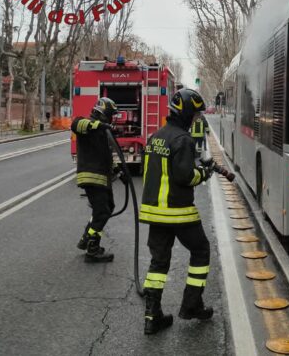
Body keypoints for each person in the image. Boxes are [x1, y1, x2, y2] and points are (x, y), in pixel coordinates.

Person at [139, 88, 215, 335]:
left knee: (158, 262)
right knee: (201, 251)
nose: (195, 119)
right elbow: (185, 176)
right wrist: (204, 173)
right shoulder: (183, 139)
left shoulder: (156, 136)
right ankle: (192, 304)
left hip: (154, 213)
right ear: (185, 112)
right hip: (178, 212)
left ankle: (152, 316)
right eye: (194, 115)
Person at [71, 97, 126, 263]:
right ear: (104, 113)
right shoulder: (87, 124)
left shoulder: (102, 133)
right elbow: (75, 125)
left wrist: (120, 172)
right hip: (92, 177)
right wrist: (101, 126)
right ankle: (92, 250)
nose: (112, 119)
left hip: (102, 178)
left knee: (107, 208)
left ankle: (86, 239)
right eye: (111, 115)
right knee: (102, 212)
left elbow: (107, 157)